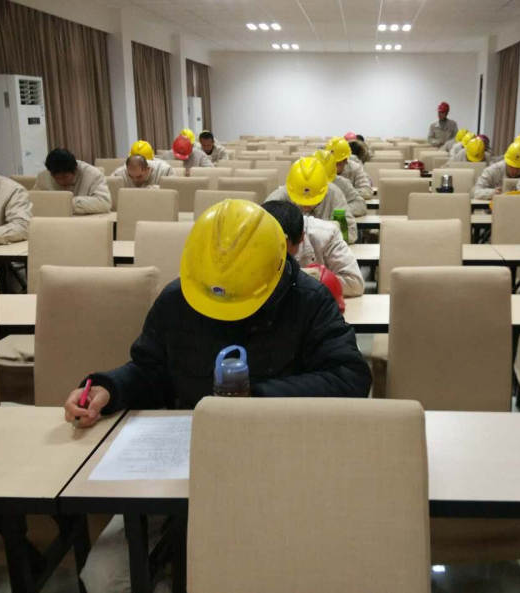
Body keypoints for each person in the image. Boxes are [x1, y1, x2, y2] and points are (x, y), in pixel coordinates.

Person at [65, 199, 371, 593]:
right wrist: (108, 388)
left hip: (280, 462)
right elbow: (150, 368)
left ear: (277, 267)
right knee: (103, 579)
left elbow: (350, 377)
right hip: (188, 462)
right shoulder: (179, 298)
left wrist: (254, 398)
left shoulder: (309, 300)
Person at [262, 200, 364, 297]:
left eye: (283, 248)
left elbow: (354, 284)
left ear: (301, 237)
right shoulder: (255, 234)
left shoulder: (326, 234)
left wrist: (308, 277)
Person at [265, 157, 358, 243]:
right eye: (300, 200)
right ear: (291, 189)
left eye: (313, 200)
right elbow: (262, 233)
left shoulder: (334, 194)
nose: (306, 206)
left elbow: (351, 234)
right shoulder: (278, 198)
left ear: (324, 189)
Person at [33, 148, 111, 214]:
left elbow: (104, 203)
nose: (61, 182)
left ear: (75, 170)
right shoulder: (44, 176)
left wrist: (65, 203)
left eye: (65, 177)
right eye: (57, 178)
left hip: (84, 221)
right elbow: (34, 202)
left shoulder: (93, 174)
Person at [472, 134, 520, 200]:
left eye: (519, 168)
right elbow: (476, 193)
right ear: (506, 161)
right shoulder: (492, 170)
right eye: (511, 166)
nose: (514, 171)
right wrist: (493, 192)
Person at [327, 137, 372, 204]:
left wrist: (344, 193)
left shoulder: (355, 168)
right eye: (330, 162)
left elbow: (367, 192)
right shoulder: (321, 168)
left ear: (345, 160)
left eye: (337, 163)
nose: (333, 166)